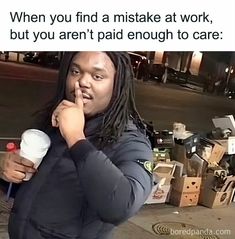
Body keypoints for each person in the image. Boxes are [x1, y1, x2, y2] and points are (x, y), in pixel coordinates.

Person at [0, 51, 153, 239]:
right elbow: (33, 185)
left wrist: (75, 137)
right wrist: (8, 170)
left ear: (118, 83)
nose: (82, 82)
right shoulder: (54, 119)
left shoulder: (130, 141)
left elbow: (121, 206)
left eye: (97, 76)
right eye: (75, 72)